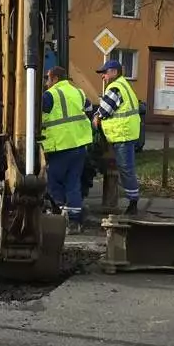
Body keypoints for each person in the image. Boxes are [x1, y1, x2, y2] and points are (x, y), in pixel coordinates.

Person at [41, 66, 93, 233]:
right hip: (80, 144)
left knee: (51, 179)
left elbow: (35, 113)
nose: (47, 83)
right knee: (73, 182)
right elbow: (90, 109)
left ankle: (62, 209)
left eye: (48, 79)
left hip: (62, 145)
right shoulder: (78, 92)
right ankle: (75, 220)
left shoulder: (50, 95)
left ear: (55, 78)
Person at [93, 59, 142, 215]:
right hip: (124, 134)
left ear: (114, 72)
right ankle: (131, 200)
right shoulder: (124, 85)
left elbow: (105, 110)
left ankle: (133, 203)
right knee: (124, 168)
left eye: (105, 73)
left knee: (126, 168)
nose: (103, 77)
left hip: (122, 135)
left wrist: (96, 117)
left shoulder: (115, 88)